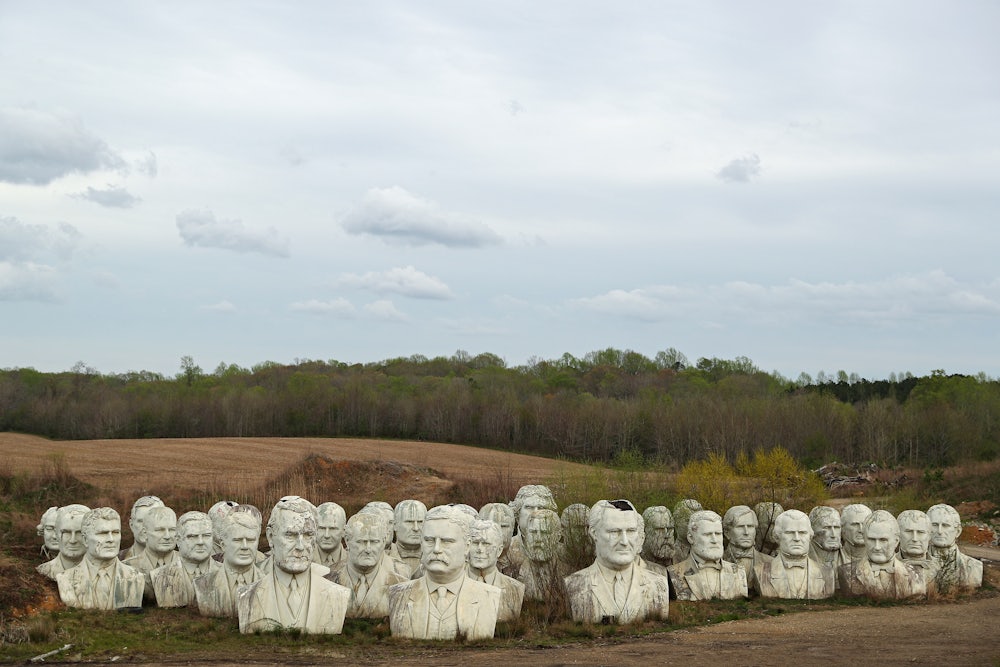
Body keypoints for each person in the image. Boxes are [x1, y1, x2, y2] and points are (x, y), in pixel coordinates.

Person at [238, 496, 350, 634]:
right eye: (290, 535)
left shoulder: (337, 595)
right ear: (271, 537)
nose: (300, 546)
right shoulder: (247, 596)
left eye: (308, 535)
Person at [387, 505, 501, 640]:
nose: (436, 549)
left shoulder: (489, 596)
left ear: (467, 546)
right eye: (429, 540)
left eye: (447, 541)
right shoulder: (399, 594)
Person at [564, 499, 670, 624]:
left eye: (630, 531)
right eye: (614, 532)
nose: (624, 541)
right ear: (594, 533)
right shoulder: (574, 585)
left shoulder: (658, 584)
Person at [56, 507, 144, 610]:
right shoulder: (65, 579)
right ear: (85, 539)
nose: (111, 540)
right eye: (103, 533)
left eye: (115, 532)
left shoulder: (136, 577)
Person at [325, 512, 406, 619]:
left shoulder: (401, 586)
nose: (368, 549)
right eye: (361, 542)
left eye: (374, 542)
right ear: (347, 541)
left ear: (383, 542)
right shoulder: (327, 580)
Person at [838, 510, 925, 600]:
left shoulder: (916, 573)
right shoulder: (847, 572)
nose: (877, 547)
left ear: (896, 541)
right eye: (871, 540)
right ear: (864, 539)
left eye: (883, 540)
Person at [195, 508, 263, 617]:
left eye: (250, 540)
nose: (245, 547)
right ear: (223, 545)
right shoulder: (203, 584)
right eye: (237, 540)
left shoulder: (268, 583)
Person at [753, 510, 835, 599]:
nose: (797, 538)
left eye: (802, 533)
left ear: (810, 536)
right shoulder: (761, 572)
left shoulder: (826, 573)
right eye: (790, 533)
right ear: (777, 537)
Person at [669, 510, 747, 601]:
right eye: (707, 534)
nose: (714, 540)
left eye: (718, 534)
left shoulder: (739, 572)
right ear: (691, 538)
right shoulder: (674, 573)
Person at [151, 511, 219, 607]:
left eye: (206, 536)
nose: (200, 542)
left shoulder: (224, 572)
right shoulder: (159, 575)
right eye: (192, 536)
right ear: (178, 540)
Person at [467, 518, 524, 622]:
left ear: (499, 550)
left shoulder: (516, 589)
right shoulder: (452, 586)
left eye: (486, 544)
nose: (480, 549)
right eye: (475, 543)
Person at [125, 506, 179, 601]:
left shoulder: (189, 564)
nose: (167, 536)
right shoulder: (127, 568)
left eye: (172, 530)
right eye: (160, 530)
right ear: (145, 533)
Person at [927, 503, 983, 592]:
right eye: (934, 525)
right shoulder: (913, 565)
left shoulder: (974, 566)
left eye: (945, 525)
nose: (940, 531)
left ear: (958, 531)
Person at [515, 508, 567, 603]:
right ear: (526, 535)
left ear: (558, 536)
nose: (538, 539)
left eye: (544, 533)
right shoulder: (514, 572)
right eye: (533, 532)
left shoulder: (568, 573)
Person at [505, 485, 558, 574]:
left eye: (541, 508)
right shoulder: (505, 551)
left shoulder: (561, 552)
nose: (535, 512)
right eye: (529, 507)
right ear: (517, 513)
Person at [721, 505, 772, 591]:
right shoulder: (720, 562)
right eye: (740, 527)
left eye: (750, 526)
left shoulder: (771, 562)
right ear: (727, 533)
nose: (746, 532)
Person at [37, 504, 90, 580]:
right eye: (66, 532)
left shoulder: (102, 572)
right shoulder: (42, 570)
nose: (72, 540)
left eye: (79, 533)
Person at [896, 509, 940, 592]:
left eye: (920, 532)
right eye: (909, 532)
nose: (915, 539)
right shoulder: (888, 567)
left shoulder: (941, 567)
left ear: (929, 535)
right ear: (898, 534)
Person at [119, 495, 165, 561]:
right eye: (141, 521)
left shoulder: (179, 561)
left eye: (153, 521)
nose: (146, 527)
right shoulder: (115, 560)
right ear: (131, 525)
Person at [479, 503, 516, 576]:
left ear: (512, 529)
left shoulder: (520, 560)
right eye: (493, 525)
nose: (499, 531)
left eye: (504, 526)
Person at [391, 499, 426, 576]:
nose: (416, 528)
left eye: (420, 522)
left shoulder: (437, 559)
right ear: (395, 525)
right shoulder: (380, 558)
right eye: (409, 522)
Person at [808, 506, 844, 570]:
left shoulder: (848, 559)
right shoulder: (803, 559)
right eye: (827, 527)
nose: (833, 534)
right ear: (812, 529)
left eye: (836, 527)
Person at [313, 502, 347, 569]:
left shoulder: (354, 561)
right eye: (321, 528)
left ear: (344, 531)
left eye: (333, 529)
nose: (326, 535)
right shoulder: (304, 559)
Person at [640, 506, 675, 571]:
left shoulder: (682, 566)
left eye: (670, 529)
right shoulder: (635, 568)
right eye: (660, 530)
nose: (667, 535)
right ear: (644, 532)